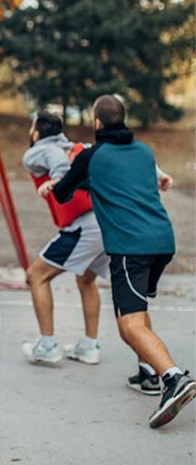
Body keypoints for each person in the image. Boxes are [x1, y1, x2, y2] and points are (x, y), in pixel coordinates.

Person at [47, 94, 195, 428]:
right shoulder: (144, 151)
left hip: (131, 247)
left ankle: (173, 377)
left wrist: (68, 181)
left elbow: (62, 194)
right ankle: (148, 373)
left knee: (129, 324)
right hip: (163, 241)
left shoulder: (91, 156)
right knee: (136, 312)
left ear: (97, 123)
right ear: (123, 119)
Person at [22, 111, 108, 366]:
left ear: (36, 133)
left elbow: (55, 157)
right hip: (104, 223)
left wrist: (59, 177)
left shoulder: (36, 152)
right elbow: (111, 153)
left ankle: (48, 345)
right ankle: (90, 346)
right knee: (86, 279)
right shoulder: (80, 147)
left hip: (85, 225)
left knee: (36, 276)